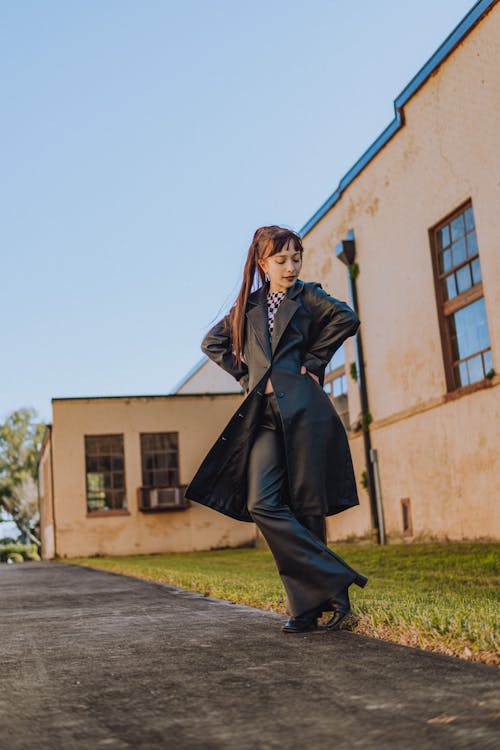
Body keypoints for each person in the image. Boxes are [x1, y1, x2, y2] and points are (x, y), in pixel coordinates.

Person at [184, 225, 368, 633]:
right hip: (262, 416)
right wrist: (249, 376)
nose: (290, 266)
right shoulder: (247, 308)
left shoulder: (308, 296)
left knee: (307, 505)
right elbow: (212, 343)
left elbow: (346, 317)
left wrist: (316, 361)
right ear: (262, 264)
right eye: (281, 260)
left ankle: (310, 608)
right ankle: (335, 578)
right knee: (262, 503)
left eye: (296, 258)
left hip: (304, 411)